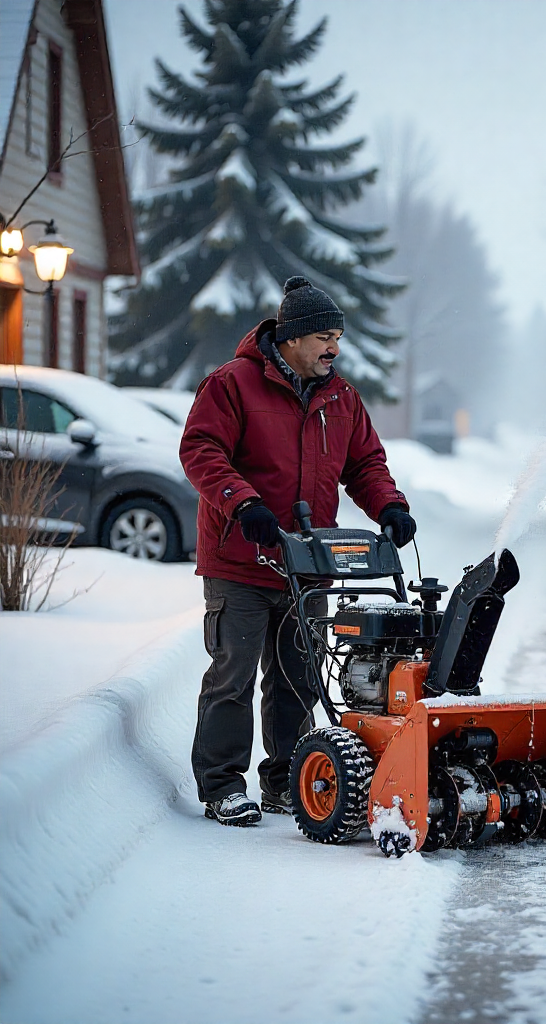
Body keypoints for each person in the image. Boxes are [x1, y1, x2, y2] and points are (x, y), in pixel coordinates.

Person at [180, 276, 416, 826]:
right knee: (232, 675)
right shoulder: (232, 385)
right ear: (291, 339)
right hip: (241, 558)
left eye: (338, 337)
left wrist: (389, 507)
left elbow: (364, 465)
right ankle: (222, 785)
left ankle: (287, 779)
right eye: (324, 337)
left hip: (309, 563)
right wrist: (243, 504)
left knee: (296, 676)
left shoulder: (342, 397)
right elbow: (201, 449)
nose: (334, 348)